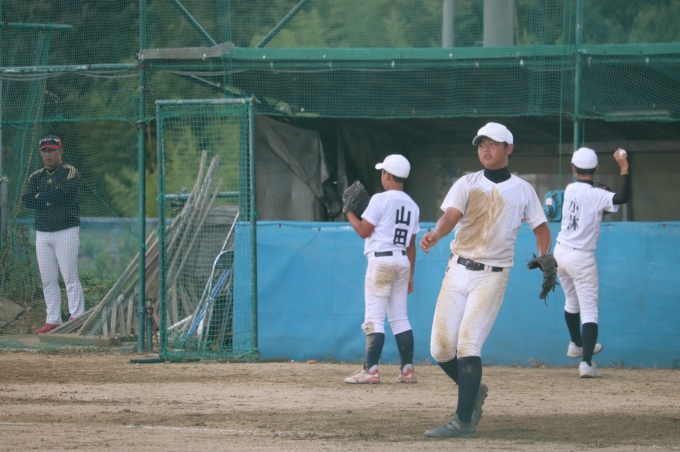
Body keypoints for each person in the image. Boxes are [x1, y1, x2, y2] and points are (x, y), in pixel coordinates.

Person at [419, 123, 552, 438]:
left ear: (509, 148)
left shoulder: (523, 190)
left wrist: (545, 255)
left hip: (491, 275)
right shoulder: (467, 182)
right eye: (481, 144)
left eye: (492, 143)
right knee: (440, 349)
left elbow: (541, 228)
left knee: (468, 344)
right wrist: (436, 233)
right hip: (457, 270)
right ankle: (474, 390)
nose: (485, 149)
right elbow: (450, 216)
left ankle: (463, 422)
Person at [343, 154, 421, 384]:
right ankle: (407, 370)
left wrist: (348, 212)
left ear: (387, 175)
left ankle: (371, 370)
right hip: (402, 261)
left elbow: (364, 231)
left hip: (382, 261)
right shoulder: (413, 205)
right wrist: (410, 275)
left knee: (374, 317)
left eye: (383, 172)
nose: (382, 176)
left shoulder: (380, 199)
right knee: (400, 318)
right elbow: (411, 245)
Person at [555, 147, 630, 378]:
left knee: (571, 301)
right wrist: (624, 167)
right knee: (589, 311)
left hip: (560, 252)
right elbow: (621, 197)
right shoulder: (597, 195)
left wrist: (600, 197)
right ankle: (586, 364)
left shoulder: (570, 189)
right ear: (596, 168)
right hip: (581, 257)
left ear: (573, 169)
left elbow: (590, 203)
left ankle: (576, 344)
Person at [23, 135, 85, 334]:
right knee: (48, 279)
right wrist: (47, 199)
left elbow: (61, 194)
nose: (48, 155)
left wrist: (41, 197)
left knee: (69, 277)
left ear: (60, 151)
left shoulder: (69, 171)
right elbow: (27, 200)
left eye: (52, 150)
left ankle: (77, 318)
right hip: (43, 233)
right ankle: (53, 320)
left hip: (66, 230)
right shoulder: (36, 176)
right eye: (45, 151)